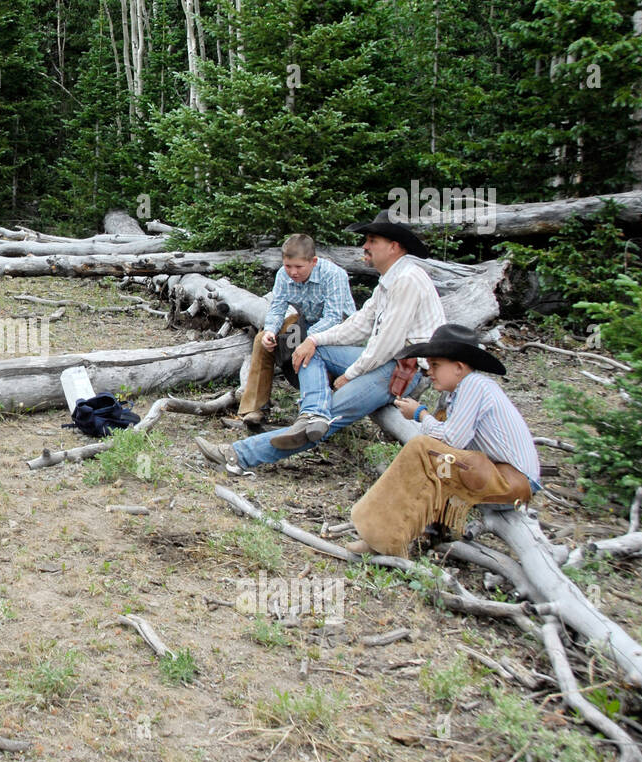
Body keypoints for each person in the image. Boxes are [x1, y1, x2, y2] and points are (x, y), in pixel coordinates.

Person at [198, 212, 446, 473]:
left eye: (372, 240)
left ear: (393, 246)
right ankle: (312, 413)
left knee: (329, 417)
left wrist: (351, 375)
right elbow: (359, 324)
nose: (365, 246)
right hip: (388, 362)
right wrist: (313, 340)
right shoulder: (390, 280)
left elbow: (387, 343)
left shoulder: (407, 280)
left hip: (403, 370)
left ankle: (239, 454)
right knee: (313, 351)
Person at [348, 324, 541, 557]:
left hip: (513, 483)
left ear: (459, 367)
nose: (430, 371)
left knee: (423, 449)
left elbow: (453, 439)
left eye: (436, 365)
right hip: (500, 477)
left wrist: (420, 414)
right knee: (434, 457)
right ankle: (419, 534)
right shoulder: (459, 392)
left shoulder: (474, 386)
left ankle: (383, 540)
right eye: (429, 365)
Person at [238, 233, 356, 427]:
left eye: (299, 267)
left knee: (310, 348)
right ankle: (254, 408)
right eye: (288, 266)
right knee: (261, 340)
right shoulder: (283, 276)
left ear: (313, 261)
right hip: (307, 323)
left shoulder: (334, 275)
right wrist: (270, 331)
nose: (293, 272)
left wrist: (307, 340)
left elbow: (334, 317)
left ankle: (319, 407)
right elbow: (277, 309)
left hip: (339, 330)